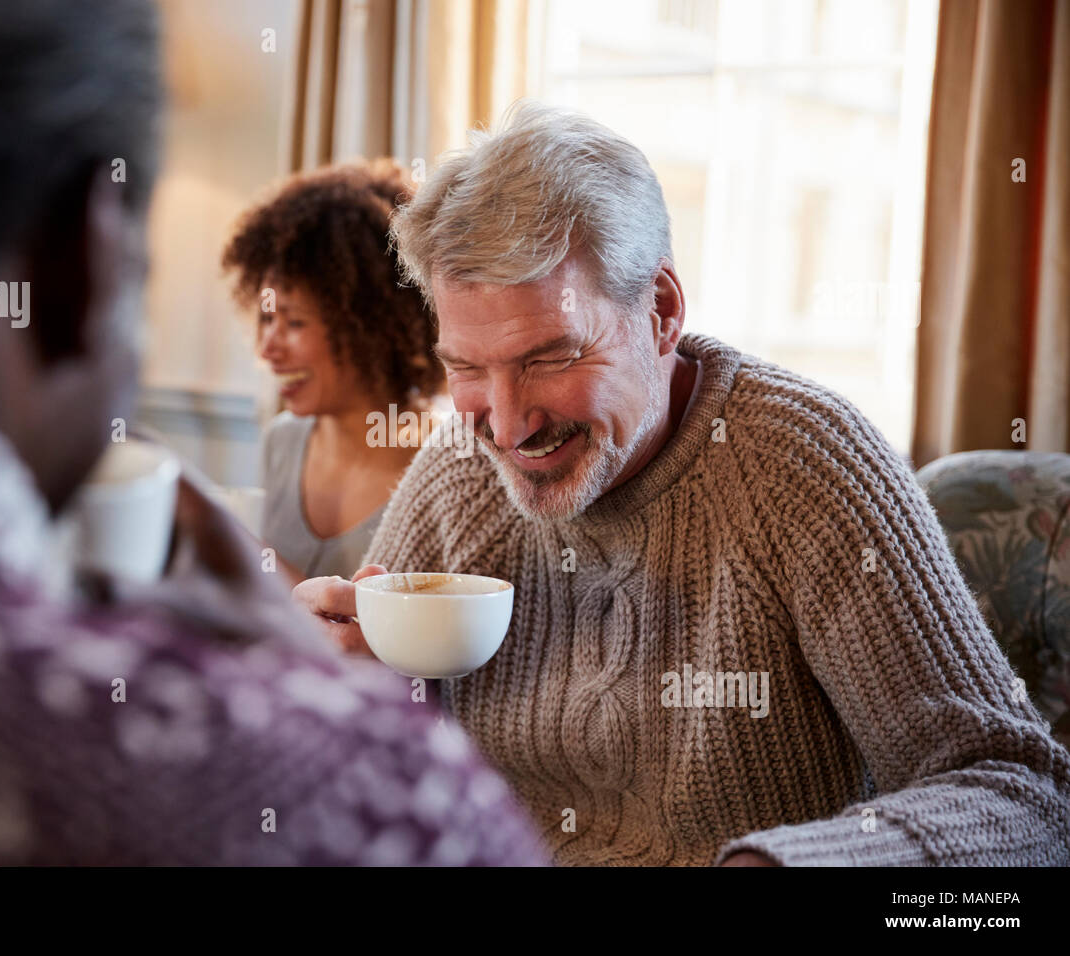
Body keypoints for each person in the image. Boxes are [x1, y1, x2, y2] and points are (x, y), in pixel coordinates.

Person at [0, 0, 547, 867]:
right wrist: (326, 711)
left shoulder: (468, 463)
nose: (266, 347)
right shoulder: (352, 799)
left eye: (290, 319)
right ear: (84, 259)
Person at [294, 101, 1070, 866]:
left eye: (550, 358)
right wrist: (344, 697)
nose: (505, 426)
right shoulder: (460, 470)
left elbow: (1020, 791)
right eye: (467, 367)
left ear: (661, 311)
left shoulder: (806, 466)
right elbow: (393, 784)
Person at [222, 161, 447, 580]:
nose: (267, 347)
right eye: (266, 319)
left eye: (293, 323)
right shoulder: (283, 441)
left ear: (368, 325)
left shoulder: (443, 461)